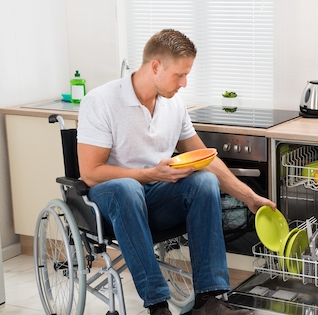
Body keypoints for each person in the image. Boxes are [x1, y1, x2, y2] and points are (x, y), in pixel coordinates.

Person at [77, 29, 276, 315]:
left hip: (154, 199)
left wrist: (248, 197)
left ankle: (210, 300)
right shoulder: (101, 101)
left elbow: (204, 158)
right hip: (112, 202)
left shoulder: (174, 105)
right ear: (155, 66)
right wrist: (150, 174)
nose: (184, 83)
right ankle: (158, 306)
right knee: (127, 188)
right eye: (179, 75)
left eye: (187, 75)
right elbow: (91, 173)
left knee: (204, 180)